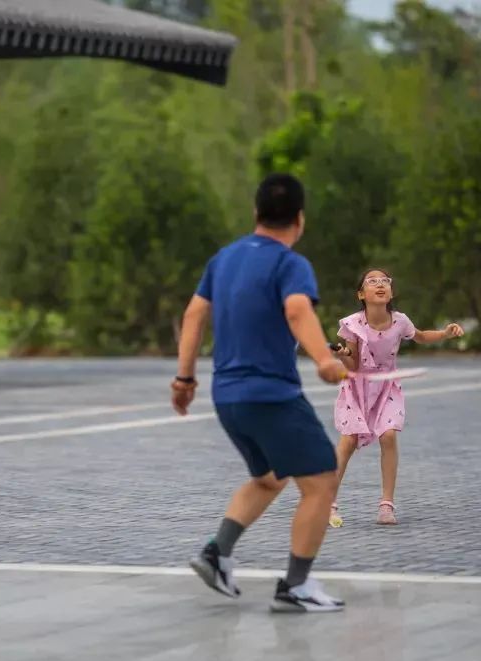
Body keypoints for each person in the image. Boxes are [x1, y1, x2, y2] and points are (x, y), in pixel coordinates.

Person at [171, 173, 348, 613]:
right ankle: (296, 586)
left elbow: (194, 315)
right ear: (300, 220)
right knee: (322, 480)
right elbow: (296, 308)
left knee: (269, 477)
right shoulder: (291, 264)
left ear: (256, 214)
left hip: (227, 396)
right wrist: (324, 359)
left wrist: (184, 380)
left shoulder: (224, 259)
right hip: (271, 396)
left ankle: (217, 553)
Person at [327, 269, 464, 527]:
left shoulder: (400, 321)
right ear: (361, 294)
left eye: (385, 281)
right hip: (358, 387)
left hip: (387, 387)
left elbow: (422, 336)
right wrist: (344, 353)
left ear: (390, 291)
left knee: (389, 435)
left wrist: (445, 334)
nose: (380, 284)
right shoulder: (352, 325)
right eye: (372, 281)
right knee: (348, 441)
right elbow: (353, 365)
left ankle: (386, 505)